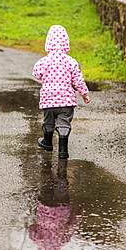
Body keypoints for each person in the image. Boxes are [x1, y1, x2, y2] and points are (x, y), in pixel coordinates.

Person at [32, 25, 90, 159]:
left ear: (48, 43)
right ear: (66, 43)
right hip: (66, 101)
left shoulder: (45, 61)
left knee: (48, 121)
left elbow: (35, 73)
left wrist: (45, 78)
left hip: (48, 100)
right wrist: (84, 94)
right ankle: (63, 150)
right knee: (64, 123)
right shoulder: (71, 61)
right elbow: (78, 80)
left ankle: (47, 142)